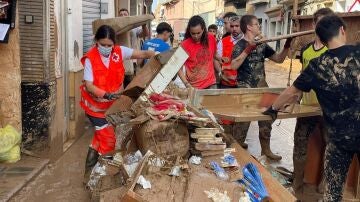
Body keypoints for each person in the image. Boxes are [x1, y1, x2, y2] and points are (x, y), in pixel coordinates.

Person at [263, 15, 360, 202]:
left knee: (332, 195)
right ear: (342, 30)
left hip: (339, 141)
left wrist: (273, 109)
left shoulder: (317, 66)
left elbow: (291, 93)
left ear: (322, 40)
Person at [81, 25, 154, 184]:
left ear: (114, 43)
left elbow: (140, 53)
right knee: (108, 140)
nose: (106, 48)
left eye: (109, 45)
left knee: (99, 138)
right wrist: (105, 94)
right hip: (95, 108)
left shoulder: (119, 52)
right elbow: (89, 85)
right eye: (103, 44)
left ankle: (88, 174)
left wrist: (155, 54)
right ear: (96, 42)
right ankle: (102, 177)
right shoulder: (90, 58)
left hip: (111, 106)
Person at [229, 15, 292, 160]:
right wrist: (248, 50)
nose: (259, 27)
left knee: (267, 121)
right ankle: (235, 153)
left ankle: (266, 151)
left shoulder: (262, 45)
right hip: (246, 90)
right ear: (249, 27)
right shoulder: (239, 46)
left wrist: (287, 45)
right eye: (257, 24)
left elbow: (279, 59)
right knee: (242, 125)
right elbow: (233, 66)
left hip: (263, 87)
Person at [292, 8, 334, 194]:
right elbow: (302, 78)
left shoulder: (333, 50)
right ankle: (296, 184)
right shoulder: (306, 49)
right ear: (313, 24)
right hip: (307, 107)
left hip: (327, 108)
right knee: (299, 143)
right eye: (320, 22)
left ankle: (325, 185)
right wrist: (295, 101)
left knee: (330, 146)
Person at [178, 15, 222, 89]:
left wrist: (222, 61)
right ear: (189, 31)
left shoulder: (211, 38)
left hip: (211, 83)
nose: (195, 36)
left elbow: (214, 54)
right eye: (193, 33)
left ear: (203, 30)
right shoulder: (184, 45)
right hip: (194, 86)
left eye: (198, 33)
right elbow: (178, 67)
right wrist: (186, 84)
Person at [118, 8, 150, 87]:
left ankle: (127, 98)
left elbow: (145, 34)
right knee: (118, 83)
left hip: (132, 60)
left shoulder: (134, 28)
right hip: (118, 60)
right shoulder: (116, 28)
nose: (123, 16)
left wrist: (144, 24)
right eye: (121, 15)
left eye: (125, 14)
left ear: (128, 16)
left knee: (129, 83)